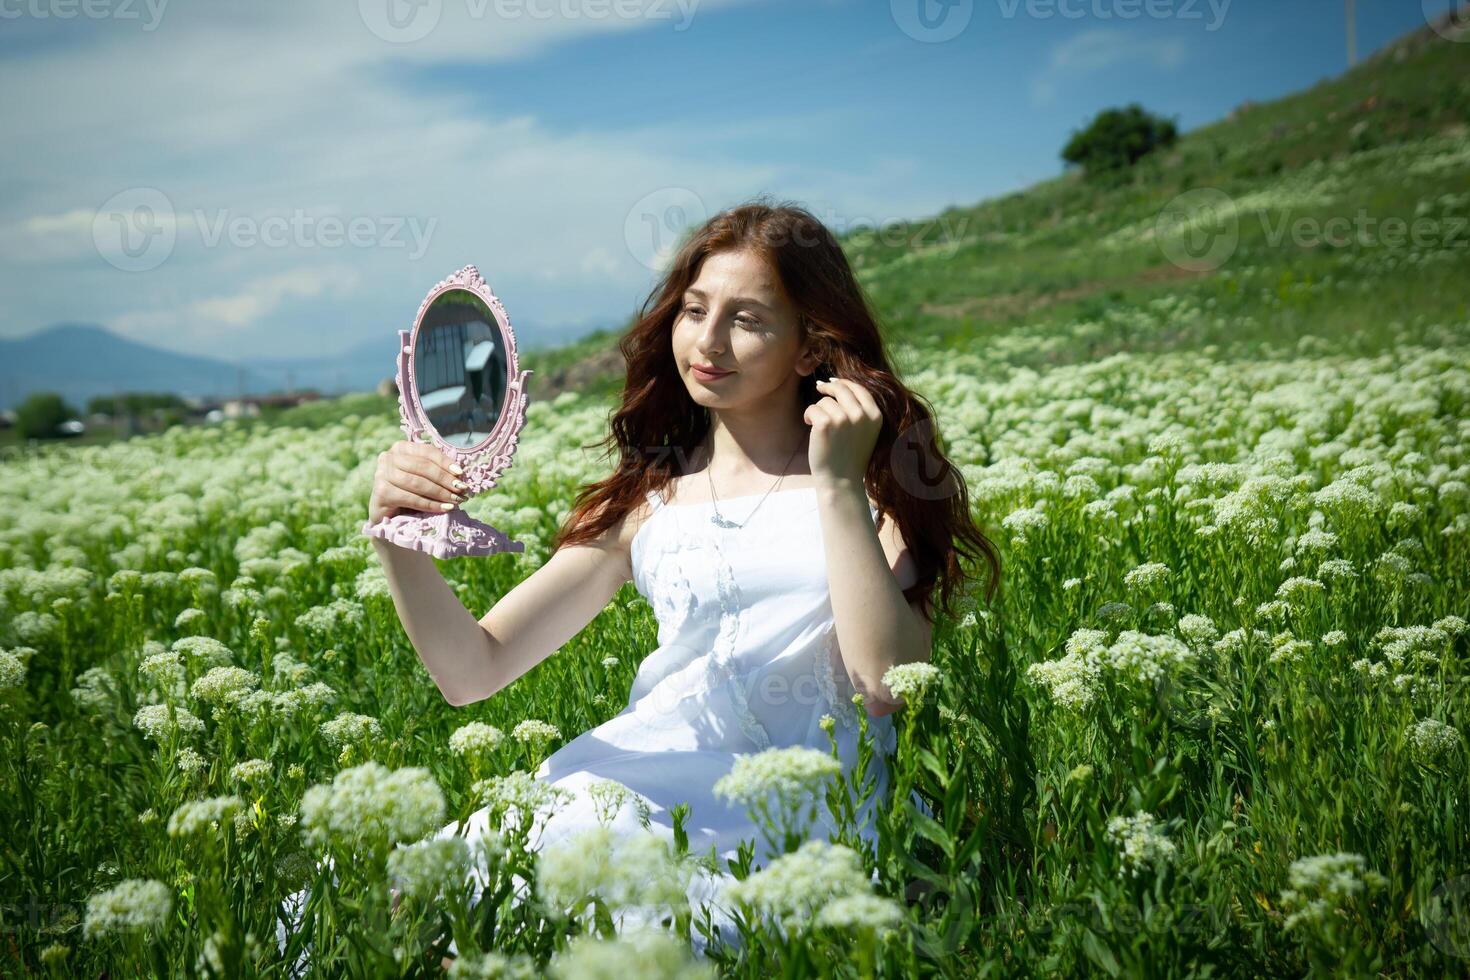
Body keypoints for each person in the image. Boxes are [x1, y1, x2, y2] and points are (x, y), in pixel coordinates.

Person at [291, 199, 1000, 967]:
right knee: (421, 898)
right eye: (695, 309)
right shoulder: (648, 499)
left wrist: (834, 482)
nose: (708, 340)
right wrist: (397, 537)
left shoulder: (871, 490)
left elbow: (886, 681)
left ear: (807, 349)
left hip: (803, 808)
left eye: (748, 318)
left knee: (608, 909)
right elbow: (473, 670)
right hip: (639, 779)